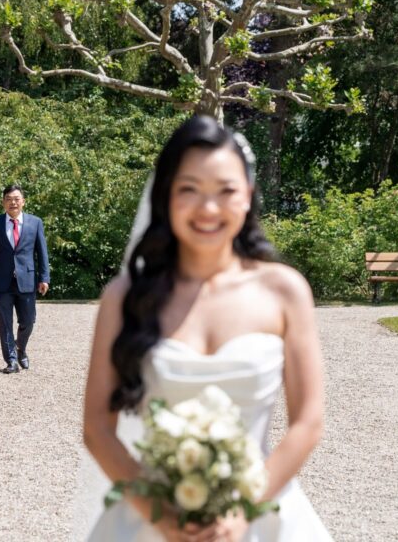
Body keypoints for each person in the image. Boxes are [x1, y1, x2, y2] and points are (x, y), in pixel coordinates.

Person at [83, 116, 330, 541]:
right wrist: (161, 515)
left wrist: (245, 508)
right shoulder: (124, 298)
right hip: (151, 519)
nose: (208, 208)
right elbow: (97, 429)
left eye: (225, 190)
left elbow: (307, 421)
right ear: (166, 196)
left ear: (248, 194)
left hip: (259, 515)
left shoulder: (284, 291)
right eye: (189, 189)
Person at [0, 185, 50, 374]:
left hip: (27, 280)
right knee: (5, 323)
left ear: (23, 201)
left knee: (28, 320)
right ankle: (11, 360)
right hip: (2, 281)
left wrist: (44, 277)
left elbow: (42, 252)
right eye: (9, 199)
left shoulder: (35, 222)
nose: (13, 202)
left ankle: (21, 348)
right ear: (3, 202)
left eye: (17, 199)